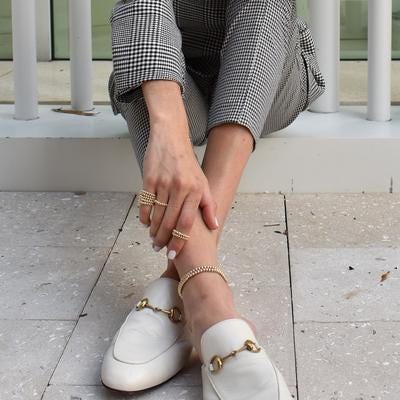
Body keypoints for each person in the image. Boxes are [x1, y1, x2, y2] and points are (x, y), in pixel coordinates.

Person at [101, 0, 325, 398]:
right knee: (140, 67)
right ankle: (207, 294)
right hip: (177, 78)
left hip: (271, 75)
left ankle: (196, 289)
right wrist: (168, 134)